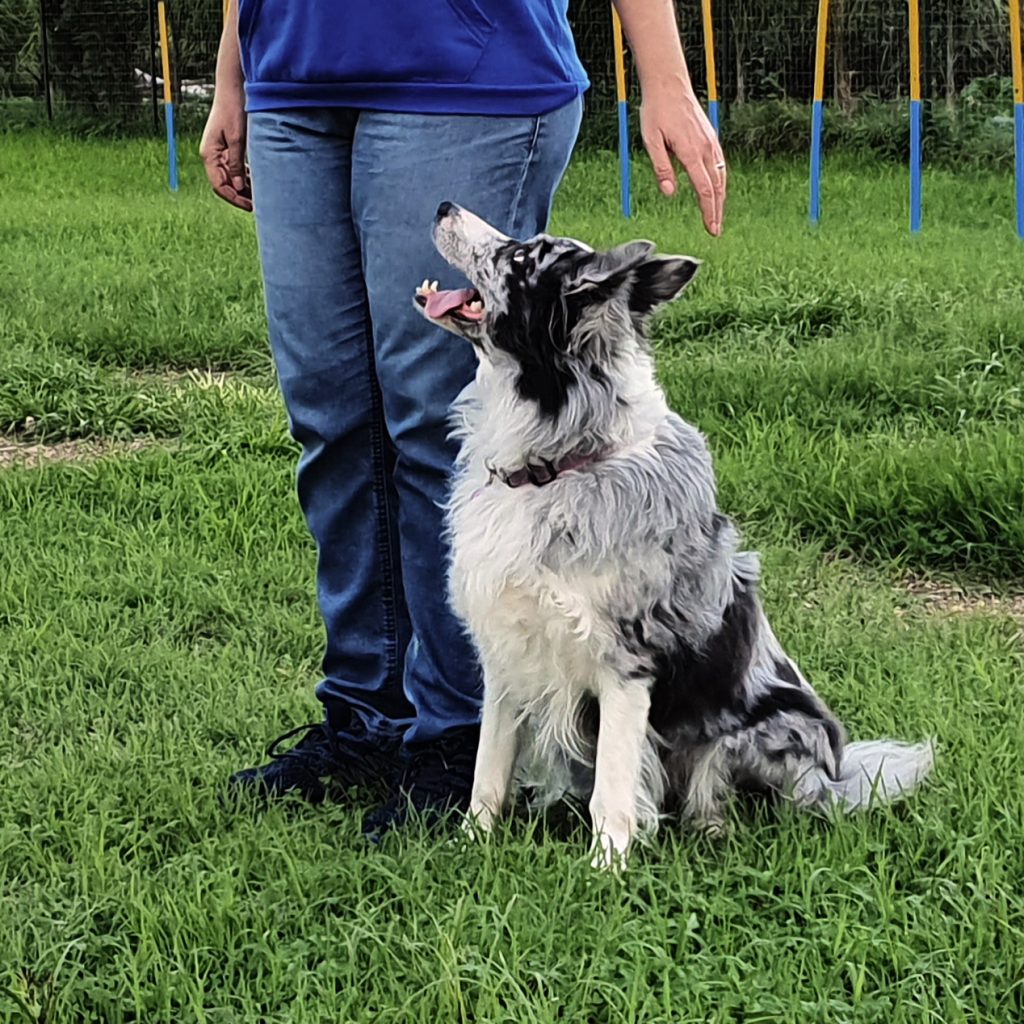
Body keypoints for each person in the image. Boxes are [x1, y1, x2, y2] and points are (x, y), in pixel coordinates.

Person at [200, 0, 726, 836]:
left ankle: (450, 735)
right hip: (290, 74)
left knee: (427, 420)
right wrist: (234, 72)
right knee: (330, 418)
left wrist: (663, 75)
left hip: (465, 65)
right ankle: (367, 717)